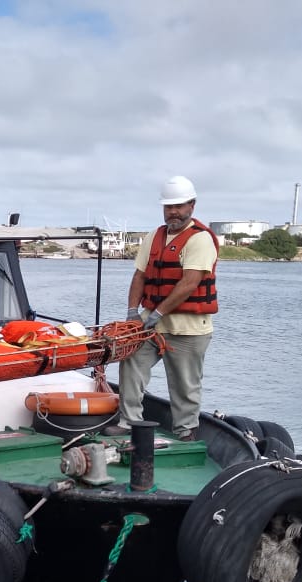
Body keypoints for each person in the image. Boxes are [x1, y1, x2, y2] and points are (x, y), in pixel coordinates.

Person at [105, 175, 219, 442]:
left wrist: (158, 313)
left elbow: (189, 283)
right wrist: (133, 312)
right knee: (131, 360)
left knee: (184, 383)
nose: (173, 212)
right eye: (169, 207)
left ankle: (185, 431)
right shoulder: (154, 237)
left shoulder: (200, 239)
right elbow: (140, 275)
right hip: (150, 324)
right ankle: (129, 421)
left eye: (179, 206)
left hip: (188, 328)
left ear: (192, 205)